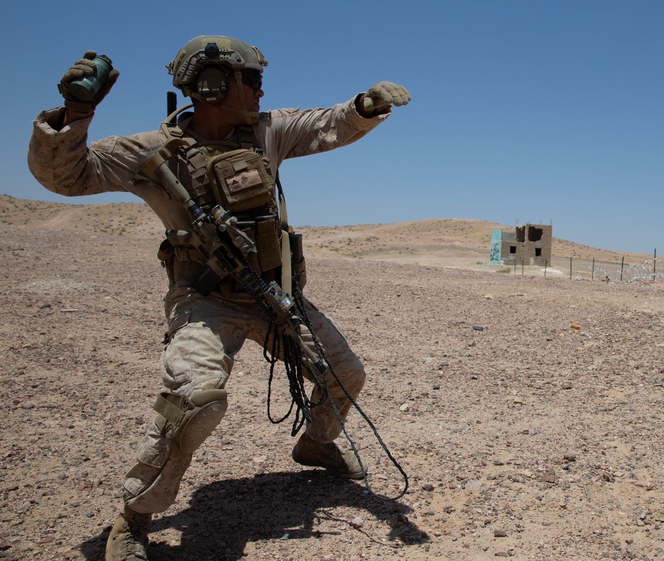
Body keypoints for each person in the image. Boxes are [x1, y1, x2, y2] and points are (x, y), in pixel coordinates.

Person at [27, 36, 411, 561]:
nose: (260, 90)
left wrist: (366, 106)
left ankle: (317, 444)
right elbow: (64, 175)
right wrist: (76, 112)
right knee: (194, 396)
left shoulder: (267, 131)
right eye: (251, 80)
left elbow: (330, 124)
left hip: (275, 295)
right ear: (212, 85)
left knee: (345, 371)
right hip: (204, 301)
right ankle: (135, 516)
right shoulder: (150, 152)